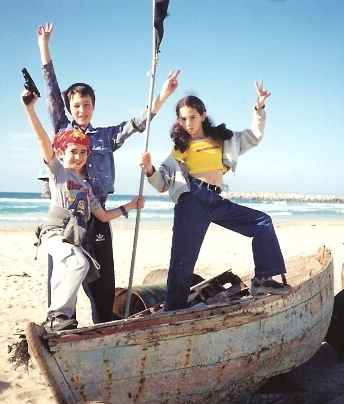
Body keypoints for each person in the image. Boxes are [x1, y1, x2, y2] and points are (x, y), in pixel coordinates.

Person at [37, 22, 179, 323]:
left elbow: (137, 123)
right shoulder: (62, 132)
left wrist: (164, 95)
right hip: (65, 217)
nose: (82, 110)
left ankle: (104, 329)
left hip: (97, 215)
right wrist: (44, 47)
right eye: (76, 105)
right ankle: (62, 325)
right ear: (70, 108)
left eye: (86, 105)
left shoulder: (104, 137)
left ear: (93, 106)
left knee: (103, 284)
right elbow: (50, 90)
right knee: (63, 278)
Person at [140, 81, 292, 312]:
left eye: (192, 117)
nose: (188, 123)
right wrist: (149, 169)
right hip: (192, 201)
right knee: (182, 260)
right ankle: (173, 309)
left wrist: (259, 109)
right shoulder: (181, 147)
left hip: (216, 200)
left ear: (203, 115)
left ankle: (262, 280)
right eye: (183, 119)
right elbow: (161, 183)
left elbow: (254, 136)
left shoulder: (224, 138)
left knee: (262, 222)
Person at [21, 89, 145, 332]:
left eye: (82, 152)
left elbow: (103, 216)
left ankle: (62, 318)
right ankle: (57, 315)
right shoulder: (57, 172)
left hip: (75, 236)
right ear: (61, 153)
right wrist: (29, 109)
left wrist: (129, 206)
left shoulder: (87, 189)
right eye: (72, 152)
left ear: (88, 155)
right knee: (77, 264)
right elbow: (42, 140)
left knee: (78, 266)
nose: (77, 157)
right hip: (55, 232)